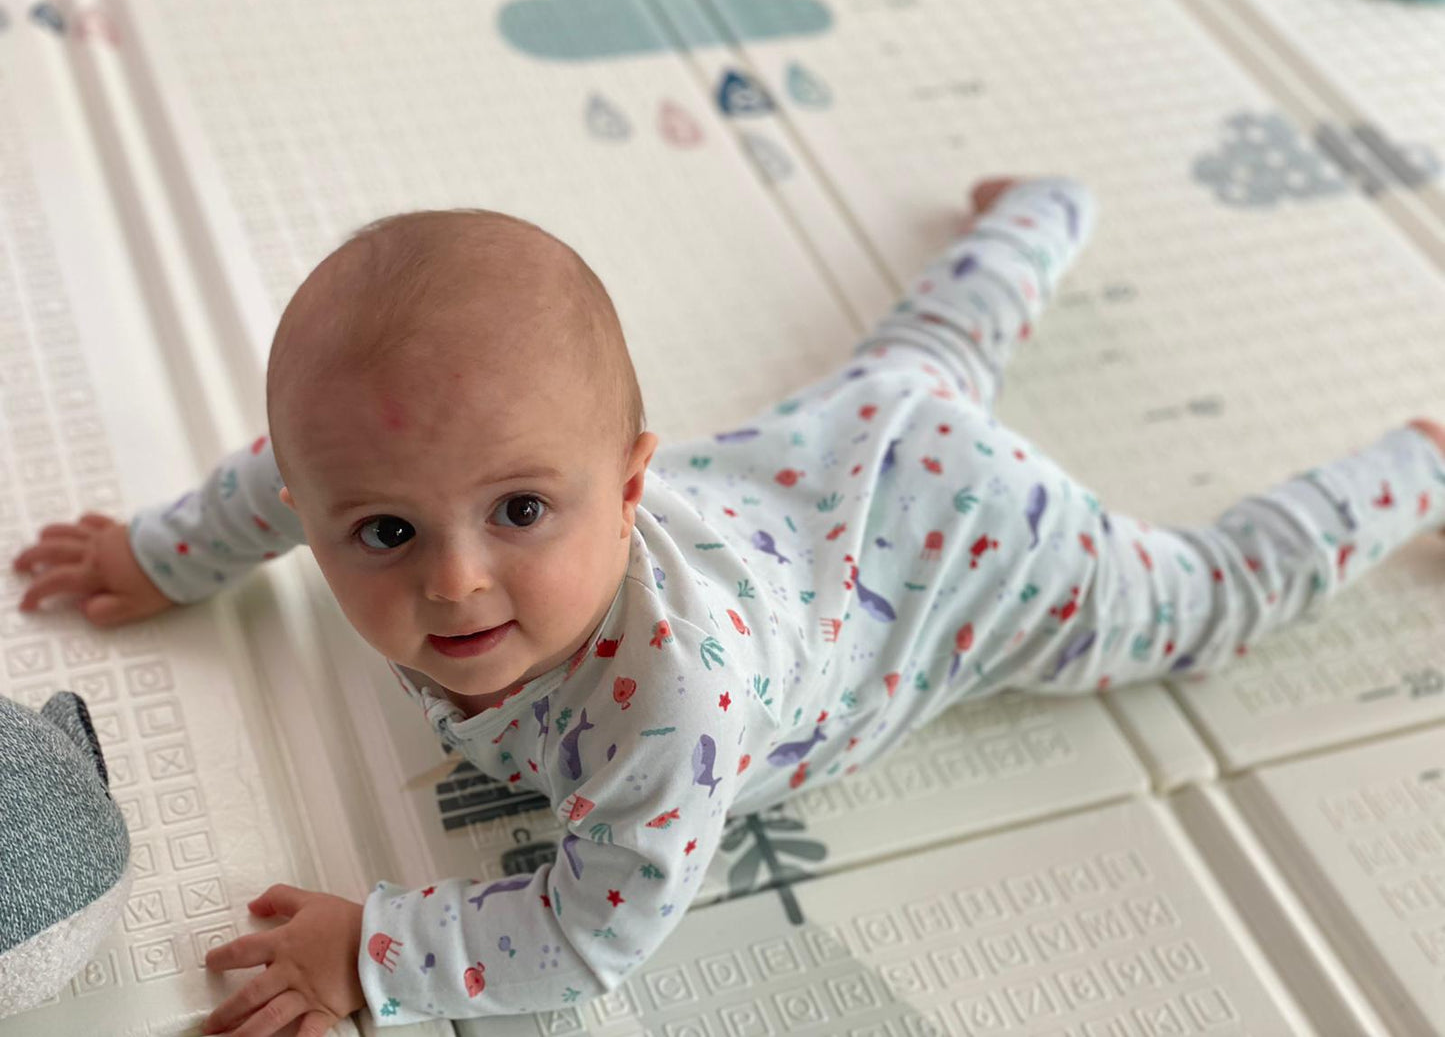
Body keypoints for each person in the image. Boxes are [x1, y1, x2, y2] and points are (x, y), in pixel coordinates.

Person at [11, 176, 1445, 1033]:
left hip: (971, 562)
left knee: (1201, 600)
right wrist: (163, 553)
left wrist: (374, 954)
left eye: (521, 511)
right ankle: (1039, 216)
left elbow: (590, 929)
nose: (452, 581)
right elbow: (278, 472)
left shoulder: (664, 711)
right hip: (832, 457)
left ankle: (1415, 466)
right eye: (383, 531)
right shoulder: (361, 477)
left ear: (629, 483)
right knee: (919, 361)